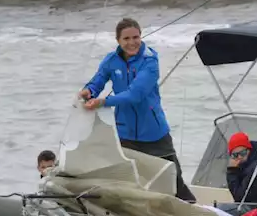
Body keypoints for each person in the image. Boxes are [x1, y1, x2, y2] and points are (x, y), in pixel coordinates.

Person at [80, 17, 198, 202]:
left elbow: (136, 94)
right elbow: (98, 80)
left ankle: (191, 208)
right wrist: (89, 91)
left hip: (154, 132)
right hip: (125, 132)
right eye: (126, 39)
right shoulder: (111, 60)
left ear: (141, 36)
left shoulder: (150, 61)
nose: (132, 42)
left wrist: (104, 102)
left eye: (136, 37)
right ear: (118, 40)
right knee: (130, 180)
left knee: (174, 179)